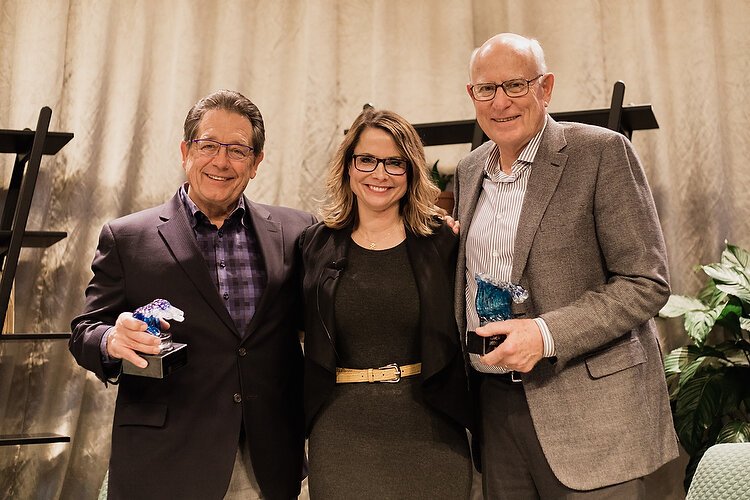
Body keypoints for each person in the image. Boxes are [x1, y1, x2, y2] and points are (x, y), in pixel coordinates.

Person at [453, 33, 679, 498]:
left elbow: (645, 282)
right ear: (472, 95)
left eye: (515, 85)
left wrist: (545, 334)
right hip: (496, 408)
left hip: (589, 411)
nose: (501, 102)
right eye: (486, 89)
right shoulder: (470, 169)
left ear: (546, 87)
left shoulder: (600, 152)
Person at [69, 89, 315, 500]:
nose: (221, 161)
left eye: (238, 150)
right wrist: (112, 339)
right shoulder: (127, 237)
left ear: (256, 163)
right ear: (185, 151)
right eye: (208, 146)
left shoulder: (297, 231)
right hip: (164, 459)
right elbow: (84, 332)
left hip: (267, 461)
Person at [299, 107, 473, 499]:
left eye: (395, 163)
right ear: (347, 167)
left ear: (412, 172)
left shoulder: (443, 242)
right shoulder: (314, 244)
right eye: (367, 160)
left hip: (432, 432)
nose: (380, 174)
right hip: (340, 433)